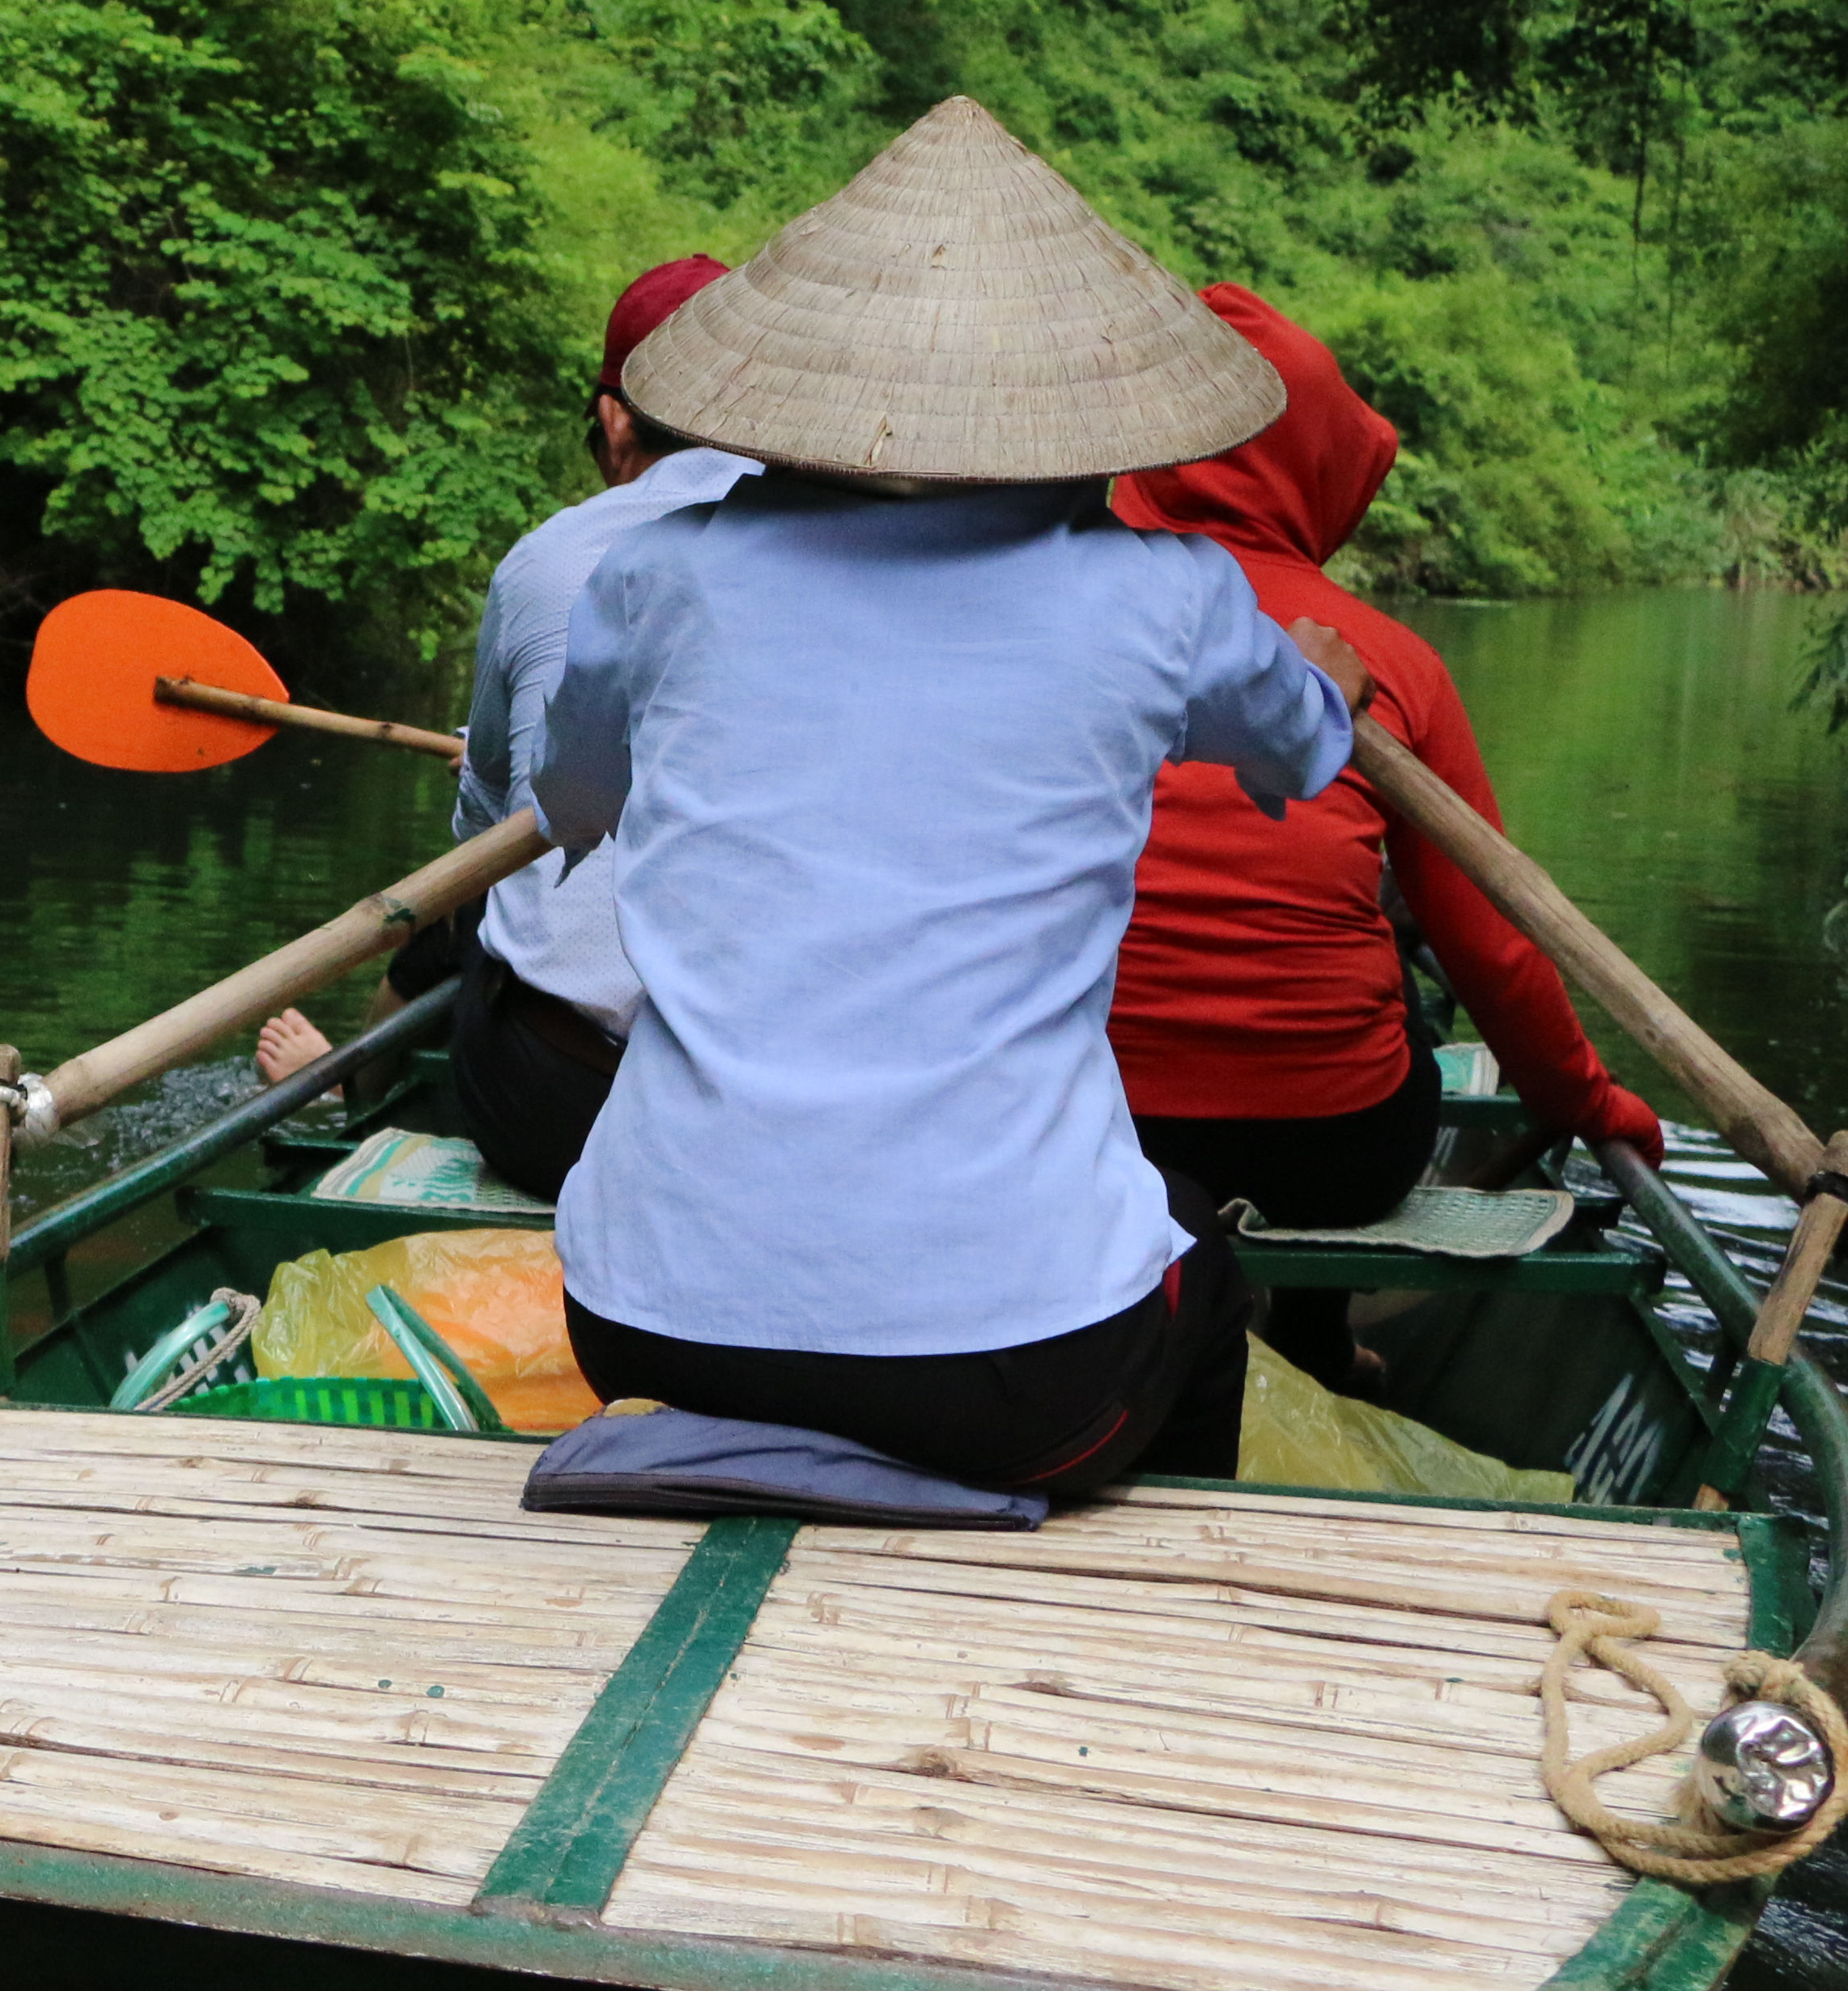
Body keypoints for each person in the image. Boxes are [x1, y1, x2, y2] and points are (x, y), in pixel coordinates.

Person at [535, 97, 1381, 1496]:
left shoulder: (658, 574)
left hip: (642, 1315)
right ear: (1087, 419)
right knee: (1199, 1262)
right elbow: (1299, 754)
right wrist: (1328, 681)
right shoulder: (1160, 595)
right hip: (1018, 1378)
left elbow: (570, 806)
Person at [1108, 286, 1666, 1389]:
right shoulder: (1389, 659)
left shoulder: (1057, 622)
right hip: (1333, 1151)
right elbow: (1495, 948)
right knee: (1399, 991)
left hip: (1089, 1129)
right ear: (1317, 467)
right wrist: (1590, 1104)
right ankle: (1315, 1334)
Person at [250, 257, 758, 1199]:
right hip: (773, 1115)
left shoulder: (553, 556)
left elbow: (484, 826)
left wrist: (513, 785)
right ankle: (358, 1077)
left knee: (479, 885)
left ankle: (359, 1084)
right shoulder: (851, 560)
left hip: (558, 1111)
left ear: (614, 419)